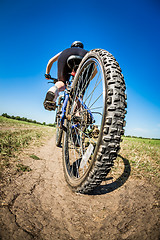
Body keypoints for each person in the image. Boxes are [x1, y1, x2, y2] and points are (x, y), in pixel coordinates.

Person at [43, 41, 88, 111]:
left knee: (61, 82)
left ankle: (53, 91)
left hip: (66, 55)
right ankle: (77, 115)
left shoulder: (66, 50)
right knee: (79, 94)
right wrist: (87, 79)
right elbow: (95, 71)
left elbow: (50, 61)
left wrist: (47, 74)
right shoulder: (86, 52)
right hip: (85, 57)